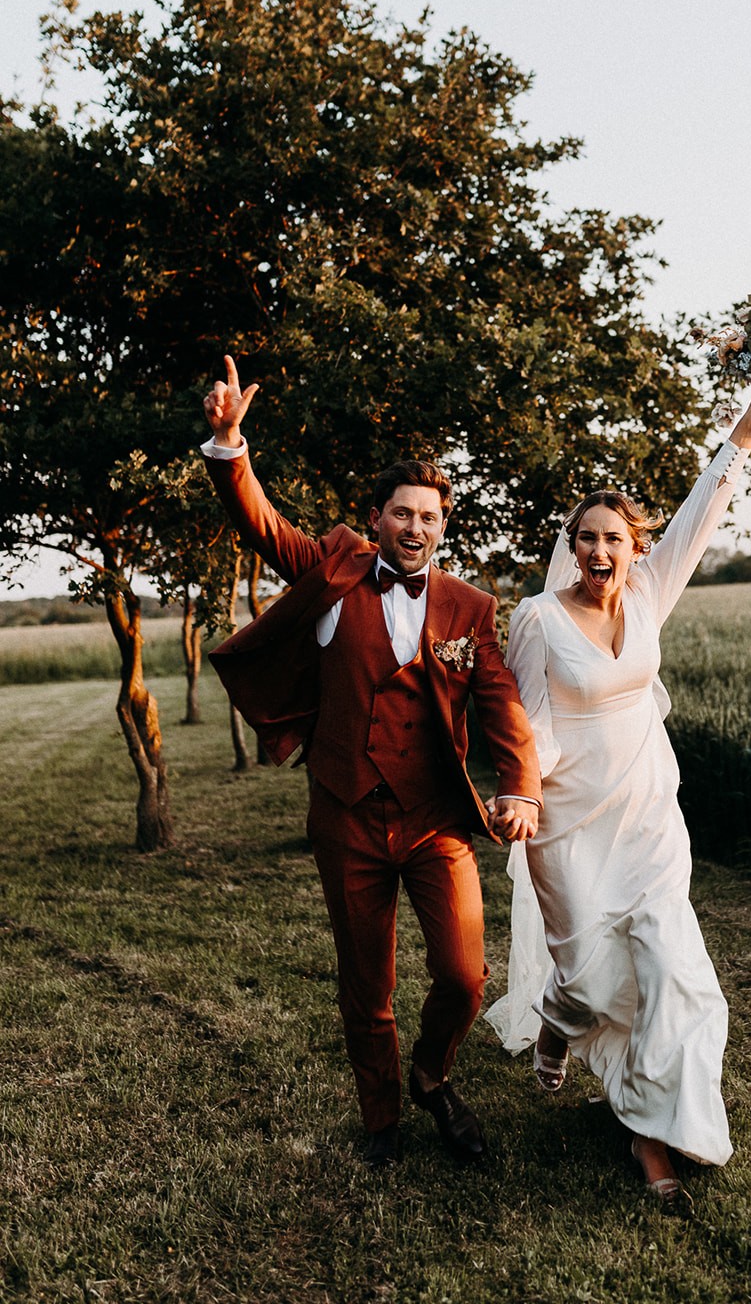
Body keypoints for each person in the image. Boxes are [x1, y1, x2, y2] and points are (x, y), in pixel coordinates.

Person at [202, 356, 542, 1171]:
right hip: (346, 810)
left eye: (428, 517)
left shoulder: (471, 608)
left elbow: (497, 702)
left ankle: (432, 1076)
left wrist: (520, 787)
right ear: (376, 518)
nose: (414, 528)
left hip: (436, 820)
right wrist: (230, 447)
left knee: (464, 976)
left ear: (442, 525)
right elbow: (262, 525)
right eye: (400, 514)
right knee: (367, 981)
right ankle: (381, 1116)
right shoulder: (335, 563)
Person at [485, 382, 751, 1209]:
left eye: (612, 537)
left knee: (672, 972)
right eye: (585, 539)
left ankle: (653, 1141)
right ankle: (555, 1027)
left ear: (633, 544)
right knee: (584, 980)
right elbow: (525, 722)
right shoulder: (538, 618)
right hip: (569, 818)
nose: (598, 550)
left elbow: (705, 507)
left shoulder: (651, 592)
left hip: (649, 815)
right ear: (571, 548)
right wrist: (520, 795)